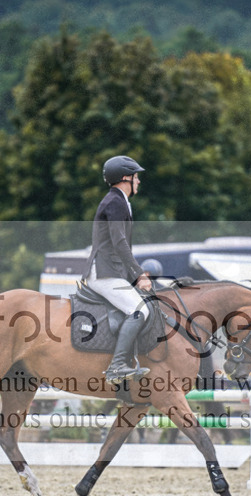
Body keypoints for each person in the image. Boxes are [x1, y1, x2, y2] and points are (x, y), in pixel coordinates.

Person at [83, 155, 152, 383]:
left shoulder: (119, 201)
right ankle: (117, 365)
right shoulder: (115, 202)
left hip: (110, 270)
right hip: (104, 272)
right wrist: (139, 274)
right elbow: (119, 241)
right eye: (136, 177)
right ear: (125, 178)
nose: (138, 181)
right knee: (140, 310)